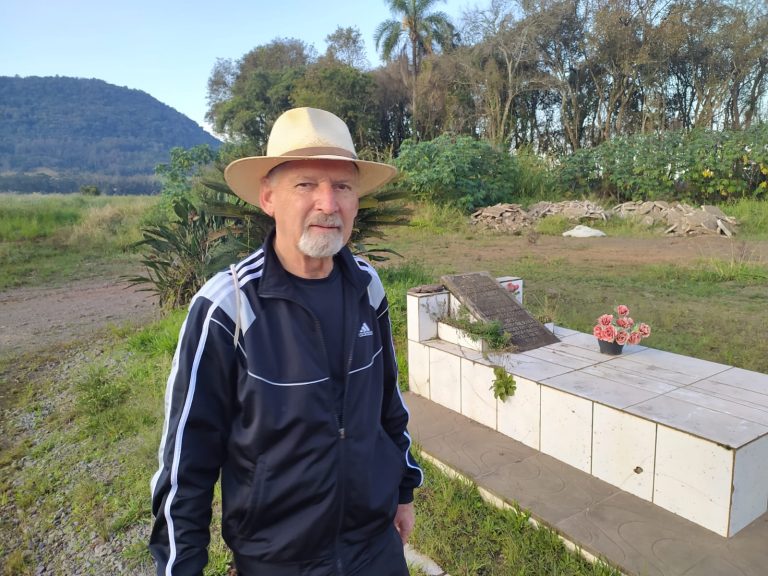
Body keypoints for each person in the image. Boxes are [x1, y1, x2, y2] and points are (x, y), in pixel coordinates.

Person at [149, 107, 423, 576]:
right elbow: (185, 464)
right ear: (268, 198)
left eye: (343, 187)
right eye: (306, 184)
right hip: (277, 560)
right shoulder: (229, 306)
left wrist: (402, 491)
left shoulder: (367, 287)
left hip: (374, 548)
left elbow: (387, 403)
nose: (328, 203)